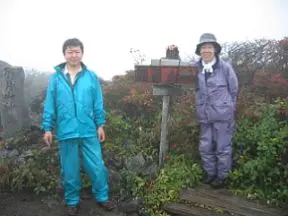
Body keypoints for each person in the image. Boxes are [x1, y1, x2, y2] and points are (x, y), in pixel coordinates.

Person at [41, 38, 114, 215]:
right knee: (70, 169)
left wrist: (100, 125)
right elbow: (50, 104)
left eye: (77, 51)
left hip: (88, 129)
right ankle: (72, 201)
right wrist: (48, 128)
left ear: (82, 53)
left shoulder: (91, 77)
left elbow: (98, 102)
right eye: (70, 52)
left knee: (97, 165)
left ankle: (102, 197)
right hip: (66, 131)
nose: (73, 55)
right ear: (64, 54)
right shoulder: (56, 78)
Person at [194, 33, 239, 189]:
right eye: (203, 47)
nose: (206, 50)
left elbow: (234, 90)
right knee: (205, 147)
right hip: (204, 115)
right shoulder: (195, 68)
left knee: (222, 147)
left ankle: (222, 177)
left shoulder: (225, 67)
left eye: (209, 47)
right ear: (199, 51)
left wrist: (228, 107)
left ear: (215, 50)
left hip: (223, 116)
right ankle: (210, 174)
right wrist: (172, 53)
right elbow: (178, 76)